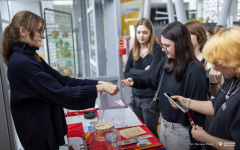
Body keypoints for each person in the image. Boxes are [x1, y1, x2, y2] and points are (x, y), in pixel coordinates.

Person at [0, 10, 120, 150]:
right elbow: (62, 93)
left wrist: (99, 83)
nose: (43, 36)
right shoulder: (22, 63)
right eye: (39, 31)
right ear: (23, 31)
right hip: (37, 135)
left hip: (43, 129)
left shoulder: (30, 57)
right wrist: (100, 88)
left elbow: (63, 81)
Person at [121, 21, 208, 150]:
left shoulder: (195, 71)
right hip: (164, 126)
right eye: (163, 45)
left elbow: (198, 115)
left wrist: (195, 145)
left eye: (167, 46)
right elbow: (152, 80)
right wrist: (135, 82)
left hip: (181, 132)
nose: (163, 49)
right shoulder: (167, 61)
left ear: (180, 44)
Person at [170, 26, 240, 150]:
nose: (216, 68)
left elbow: (235, 146)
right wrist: (187, 102)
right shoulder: (233, 80)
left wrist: (205, 138)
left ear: (233, 60)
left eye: (218, 63)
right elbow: (215, 105)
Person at [124, 18, 163, 138]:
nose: (141, 36)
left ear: (150, 33)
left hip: (149, 99)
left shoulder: (156, 49)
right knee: (138, 132)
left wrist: (134, 72)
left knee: (151, 133)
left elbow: (153, 76)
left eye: (145, 32)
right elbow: (126, 73)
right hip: (135, 98)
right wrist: (144, 71)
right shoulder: (134, 49)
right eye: (139, 32)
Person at [185, 21, 221, 97]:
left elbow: (215, 93)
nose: (185, 37)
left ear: (199, 36)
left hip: (201, 104)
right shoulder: (183, 59)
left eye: (188, 34)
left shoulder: (210, 61)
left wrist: (213, 82)